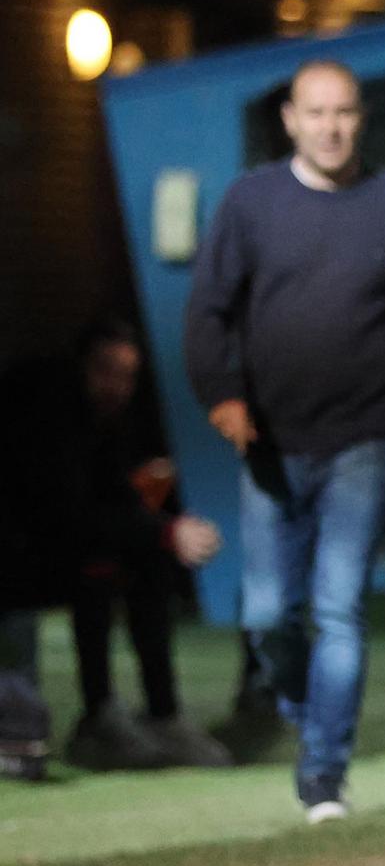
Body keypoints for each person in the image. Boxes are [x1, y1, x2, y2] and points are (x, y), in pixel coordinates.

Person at [184, 59, 385, 821]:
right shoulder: (251, 201)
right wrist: (223, 398)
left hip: (369, 436)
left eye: (343, 112)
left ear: (361, 116)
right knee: (266, 612)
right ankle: (299, 706)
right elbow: (207, 312)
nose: (331, 126)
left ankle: (323, 776)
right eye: (315, 113)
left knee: (339, 605)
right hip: (272, 442)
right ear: (290, 119)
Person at [0, 320, 229, 770]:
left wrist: (166, 529)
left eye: (127, 375)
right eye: (106, 371)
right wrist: (162, 531)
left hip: (44, 550)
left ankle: (158, 715)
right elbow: (63, 515)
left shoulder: (104, 423)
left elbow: (113, 499)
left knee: (143, 559)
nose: (117, 386)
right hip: (15, 558)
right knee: (97, 567)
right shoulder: (44, 416)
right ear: (81, 367)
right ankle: (78, 721)